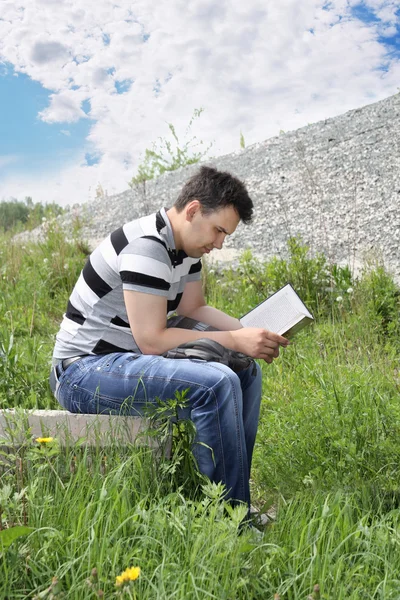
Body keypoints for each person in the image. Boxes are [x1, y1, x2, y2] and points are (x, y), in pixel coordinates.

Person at [49, 165, 288, 511]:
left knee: (244, 370)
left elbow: (194, 310)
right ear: (192, 211)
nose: (220, 244)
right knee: (214, 384)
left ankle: (236, 497)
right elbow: (152, 340)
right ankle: (231, 516)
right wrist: (235, 340)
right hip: (84, 372)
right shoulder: (146, 247)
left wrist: (252, 330)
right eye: (219, 230)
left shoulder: (186, 249)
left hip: (126, 361)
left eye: (226, 236)